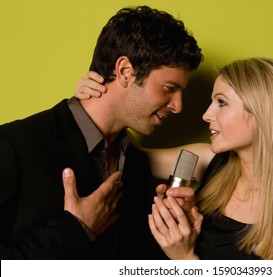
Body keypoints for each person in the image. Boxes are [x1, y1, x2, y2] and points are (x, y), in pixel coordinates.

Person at [0, 5, 203, 259]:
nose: (178, 106)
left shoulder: (135, 164)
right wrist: (75, 230)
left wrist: (172, 238)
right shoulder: (13, 146)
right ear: (125, 72)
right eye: (169, 88)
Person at [75, 57, 273, 260]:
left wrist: (185, 258)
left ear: (262, 113)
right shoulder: (209, 160)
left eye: (221, 103)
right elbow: (127, 153)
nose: (206, 115)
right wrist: (103, 99)